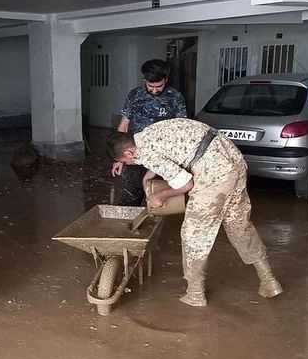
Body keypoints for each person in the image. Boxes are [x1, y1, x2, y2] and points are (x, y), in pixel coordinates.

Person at [107, 118, 283, 306]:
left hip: (213, 173)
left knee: (193, 235)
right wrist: (148, 177)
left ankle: (195, 294)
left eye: (124, 161)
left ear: (128, 152)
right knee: (238, 225)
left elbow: (186, 184)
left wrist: (161, 196)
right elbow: (167, 153)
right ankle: (269, 281)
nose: (128, 164)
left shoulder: (147, 153)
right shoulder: (148, 133)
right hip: (233, 161)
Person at [111, 59, 187, 206]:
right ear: (144, 79)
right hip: (135, 154)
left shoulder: (175, 97)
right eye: (150, 86)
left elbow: (181, 130)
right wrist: (119, 158)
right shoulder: (134, 95)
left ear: (166, 79)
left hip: (163, 156)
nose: (154, 90)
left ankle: (153, 226)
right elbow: (123, 126)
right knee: (130, 195)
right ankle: (128, 226)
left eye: (158, 86)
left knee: (159, 198)